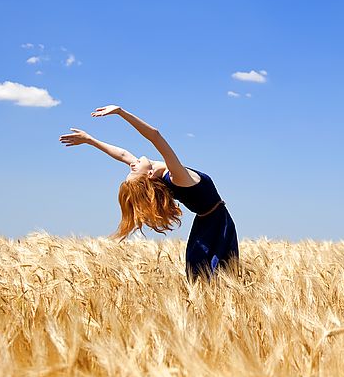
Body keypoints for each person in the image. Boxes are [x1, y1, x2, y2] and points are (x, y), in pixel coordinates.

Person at [59, 105, 239, 281]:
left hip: (210, 222)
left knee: (213, 277)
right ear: (149, 176)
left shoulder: (158, 176)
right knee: (211, 276)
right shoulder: (177, 177)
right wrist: (121, 112)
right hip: (215, 225)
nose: (132, 164)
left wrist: (90, 140)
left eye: (132, 167)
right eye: (133, 169)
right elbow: (155, 135)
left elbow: (122, 154)